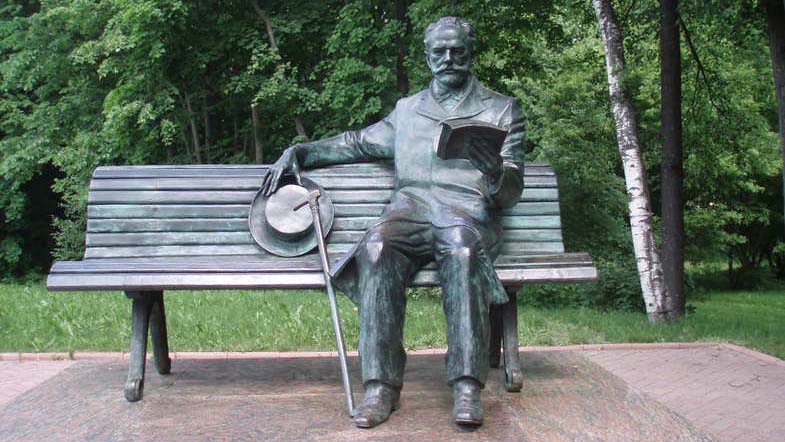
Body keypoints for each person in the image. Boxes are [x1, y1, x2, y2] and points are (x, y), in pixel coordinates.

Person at [261, 16, 525, 428]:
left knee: (462, 250)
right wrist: (302, 151)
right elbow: (355, 143)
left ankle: (467, 385)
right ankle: (379, 385)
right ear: (427, 56)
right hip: (411, 212)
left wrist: (495, 171)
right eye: (439, 52)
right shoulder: (408, 110)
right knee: (376, 246)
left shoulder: (501, 109)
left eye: (457, 51)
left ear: (471, 54)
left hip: (468, 215)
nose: (448, 59)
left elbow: (510, 193)